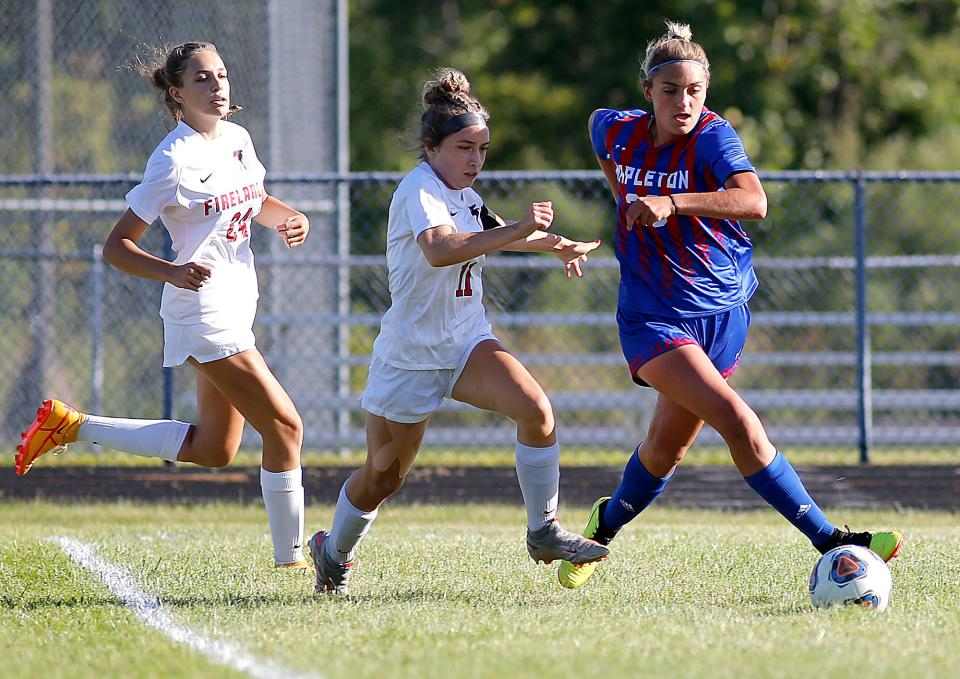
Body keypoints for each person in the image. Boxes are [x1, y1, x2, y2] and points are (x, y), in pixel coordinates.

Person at [558, 21, 903, 590]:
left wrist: (671, 202)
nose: (684, 101)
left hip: (723, 312)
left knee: (666, 449)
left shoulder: (714, 137)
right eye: (670, 90)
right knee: (740, 423)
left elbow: (755, 201)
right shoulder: (612, 130)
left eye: (695, 90)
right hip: (653, 316)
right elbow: (607, 154)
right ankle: (832, 542)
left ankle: (600, 530)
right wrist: (629, 207)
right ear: (648, 91)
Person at [307, 67, 608, 595]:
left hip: (467, 343)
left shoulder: (464, 193)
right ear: (430, 147)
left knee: (536, 410)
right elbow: (443, 249)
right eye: (465, 148)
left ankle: (543, 531)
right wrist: (520, 227)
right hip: (410, 357)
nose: (475, 160)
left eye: (483, 149)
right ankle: (332, 554)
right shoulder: (418, 190)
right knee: (383, 477)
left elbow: (494, 235)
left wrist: (557, 244)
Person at [15, 41, 311, 569]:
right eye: (202, 79)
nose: (217, 86)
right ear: (176, 93)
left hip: (238, 304)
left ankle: (72, 425)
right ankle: (295, 563)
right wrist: (172, 271)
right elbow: (117, 246)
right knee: (285, 427)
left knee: (216, 449)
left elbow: (256, 202)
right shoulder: (173, 158)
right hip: (202, 311)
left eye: (221, 75)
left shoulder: (239, 139)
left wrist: (291, 218)